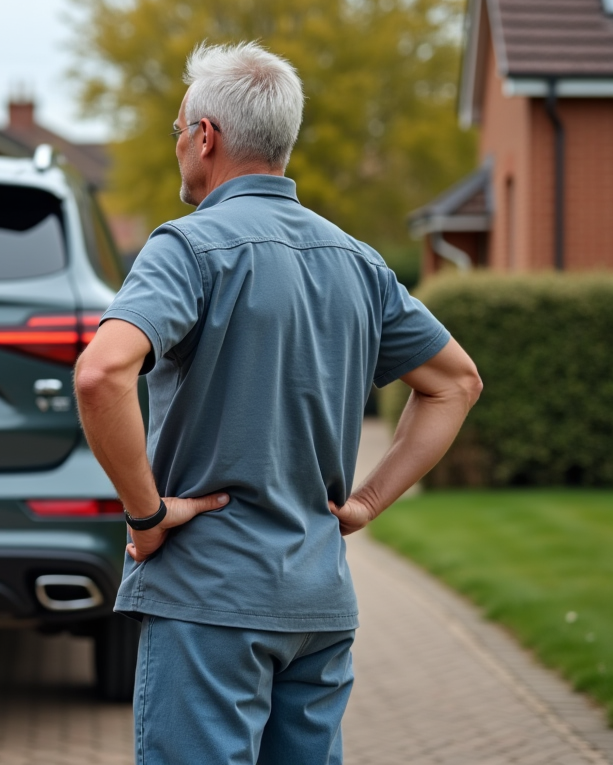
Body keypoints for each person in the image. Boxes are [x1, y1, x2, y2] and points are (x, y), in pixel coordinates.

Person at [73, 41, 483, 765]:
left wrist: (146, 516)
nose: (178, 146)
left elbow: (102, 374)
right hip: (318, 606)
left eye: (178, 131)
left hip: (208, 599)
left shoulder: (187, 249)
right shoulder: (359, 263)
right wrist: (366, 503)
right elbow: (456, 383)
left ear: (207, 136)